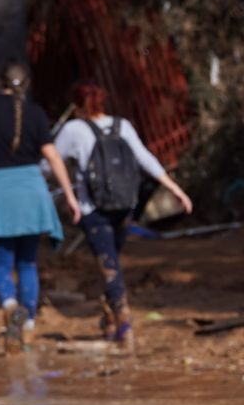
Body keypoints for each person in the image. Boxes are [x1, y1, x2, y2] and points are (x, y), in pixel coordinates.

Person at [53, 80, 193, 349]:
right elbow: (146, 159)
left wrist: (64, 192)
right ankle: (110, 318)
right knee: (113, 261)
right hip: (124, 206)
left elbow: (50, 161)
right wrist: (176, 189)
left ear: (77, 105)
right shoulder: (122, 126)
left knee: (109, 266)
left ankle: (123, 321)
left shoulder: (73, 129)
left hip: (92, 210)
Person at [0, 62, 80, 353]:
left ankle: (10, 305)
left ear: (0, 83)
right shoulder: (35, 113)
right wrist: (70, 196)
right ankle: (29, 325)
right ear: (27, 84)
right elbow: (53, 158)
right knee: (28, 262)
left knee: (0, 262)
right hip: (32, 191)